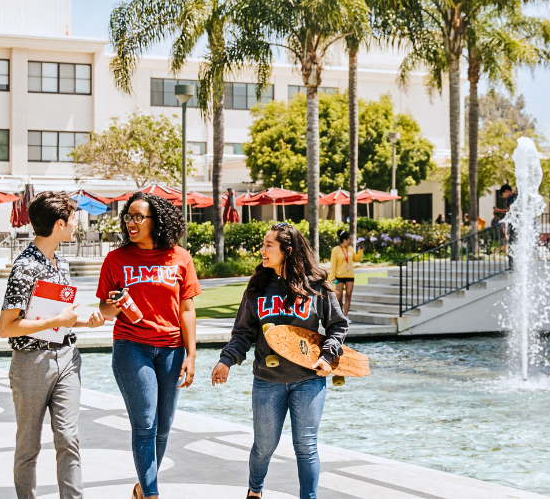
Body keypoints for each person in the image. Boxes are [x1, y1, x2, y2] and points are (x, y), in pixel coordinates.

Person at [211, 223, 350, 499]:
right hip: (267, 381)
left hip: (309, 380)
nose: (262, 250)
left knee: (306, 446)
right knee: (263, 446)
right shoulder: (257, 287)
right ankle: (255, 491)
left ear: (287, 250)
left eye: (268, 245)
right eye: (263, 245)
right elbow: (243, 332)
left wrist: (327, 356)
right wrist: (226, 360)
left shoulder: (317, 285)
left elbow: (338, 326)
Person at [0, 191, 106, 499]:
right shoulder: (24, 268)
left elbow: (57, 318)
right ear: (59, 224)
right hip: (32, 364)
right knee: (29, 444)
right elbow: (6, 328)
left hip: (68, 358)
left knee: (68, 437)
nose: (76, 225)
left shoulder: (61, 262)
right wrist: (55, 320)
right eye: (73, 219)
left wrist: (85, 321)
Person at [96, 192, 201, 499]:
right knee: (145, 423)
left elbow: (187, 309)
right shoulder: (116, 259)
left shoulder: (180, 257)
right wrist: (115, 304)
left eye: (138, 217)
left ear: (157, 221)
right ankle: (153, 495)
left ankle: (142, 488)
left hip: (171, 349)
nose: (132, 222)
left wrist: (191, 354)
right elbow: (103, 310)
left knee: (164, 425)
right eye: (128, 216)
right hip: (132, 346)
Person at [329, 230, 362, 313]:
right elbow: (333, 264)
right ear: (344, 240)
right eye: (349, 239)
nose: (350, 241)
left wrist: (360, 251)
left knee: (348, 295)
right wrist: (332, 277)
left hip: (349, 276)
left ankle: (345, 315)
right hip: (338, 277)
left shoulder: (350, 249)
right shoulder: (336, 250)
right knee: (338, 297)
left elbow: (356, 259)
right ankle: (339, 313)